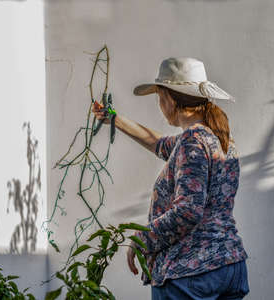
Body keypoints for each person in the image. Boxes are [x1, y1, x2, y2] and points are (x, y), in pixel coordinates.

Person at [91, 57, 250, 299]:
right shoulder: (218, 140)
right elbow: (160, 144)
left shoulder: (193, 142)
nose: (159, 104)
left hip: (191, 272)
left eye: (158, 97)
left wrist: (142, 237)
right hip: (228, 266)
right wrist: (114, 118)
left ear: (169, 99)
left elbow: (188, 211)